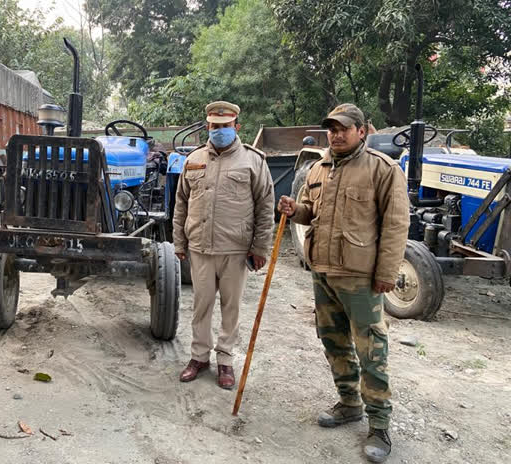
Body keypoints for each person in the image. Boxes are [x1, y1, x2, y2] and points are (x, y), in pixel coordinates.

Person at [277, 103, 409, 463]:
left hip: (361, 276)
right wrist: (294, 209)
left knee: (371, 350)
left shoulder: (382, 170)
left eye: (343, 129)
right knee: (333, 341)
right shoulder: (318, 169)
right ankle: (350, 403)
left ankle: (380, 425)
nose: (336, 134)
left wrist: (386, 273)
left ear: (362, 131)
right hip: (323, 271)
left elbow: (396, 225)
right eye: (331, 129)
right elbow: (309, 211)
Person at [173, 101, 275, 389]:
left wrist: (260, 248)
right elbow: (180, 203)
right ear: (208, 126)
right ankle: (199, 357)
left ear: (236, 127)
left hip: (236, 249)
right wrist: (179, 241)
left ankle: (226, 360)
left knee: (231, 308)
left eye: (225, 126)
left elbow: (265, 207)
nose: (220, 131)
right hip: (200, 248)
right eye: (215, 127)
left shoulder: (253, 161)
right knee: (200, 306)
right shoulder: (193, 159)